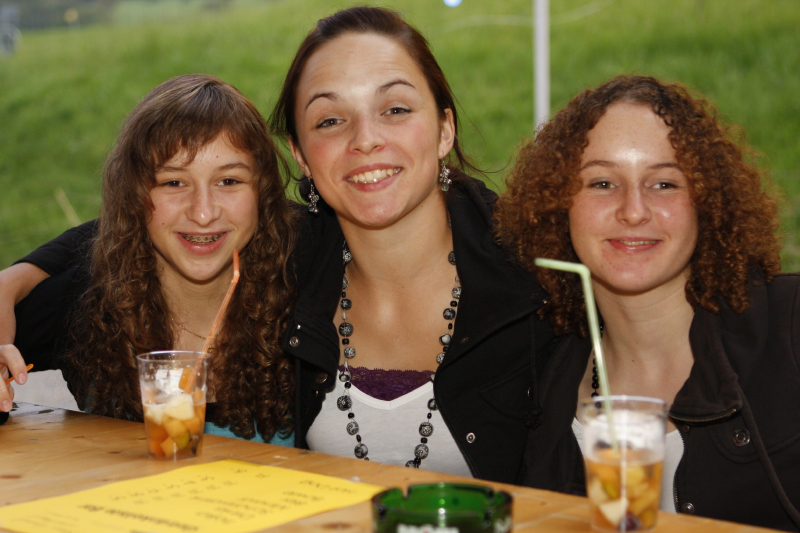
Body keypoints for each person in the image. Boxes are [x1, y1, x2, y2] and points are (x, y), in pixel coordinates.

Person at [1, 6, 554, 482]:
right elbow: (121, 236)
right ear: (300, 155)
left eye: (395, 109)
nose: (203, 211)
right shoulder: (103, 298)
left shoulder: (532, 273)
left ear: (444, 129)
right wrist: (14, 280)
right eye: (331, 119)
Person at [495, 75, 800, 531]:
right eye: (602, 182)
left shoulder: (790, 326)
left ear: (707, 201)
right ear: (558, 205)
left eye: (663, 184)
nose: (634, 211)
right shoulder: (541, 379)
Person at [0, 74, 296, 446]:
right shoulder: (90, 300)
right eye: (173, 183)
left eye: (229, 181)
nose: (203, 213)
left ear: (264, 192)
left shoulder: (307, 284)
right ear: (134, 196)